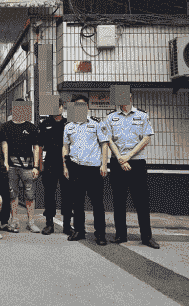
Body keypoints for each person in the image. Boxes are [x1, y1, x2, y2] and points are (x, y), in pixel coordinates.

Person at [103, 92, 159, 249]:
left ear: (130, 97)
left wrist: (128, 156)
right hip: (117, 163)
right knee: (118, 200)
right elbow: (108, 139)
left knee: (141, 201)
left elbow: (146, 139)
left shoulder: (142, 115)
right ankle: (120, 235)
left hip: (137, 163)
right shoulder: (111, 117)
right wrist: (121, 158)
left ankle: (146, 237)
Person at [63, 95, 109, 246]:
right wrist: (65, 166)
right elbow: (65, 147)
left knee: (97, 203)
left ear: (87, 107)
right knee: (77, 202)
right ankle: (79, 231)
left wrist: (104, 164)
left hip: (93, 169)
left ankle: (100, 234)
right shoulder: (69, 126)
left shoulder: (96, 124)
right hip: (75, 168)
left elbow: (104, 144)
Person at [2, 98, 41, 233]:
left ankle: (31, 222)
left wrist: (36, 166)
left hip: (28, 167)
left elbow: (36, 147)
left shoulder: (31, 127)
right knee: (13, 194)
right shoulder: (6, 126)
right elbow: (5, 145)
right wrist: (5, 162)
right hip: (12, 167)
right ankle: (14, 221)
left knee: (30, 195)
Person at [39, 98, 74, 236]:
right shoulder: (45, 124)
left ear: (62, 107)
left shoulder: (69, 123)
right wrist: (39, 165)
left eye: (58, 106)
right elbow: (40, 144)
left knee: (68, 194)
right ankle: (49, 224)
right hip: (50, 162)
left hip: (66, 162)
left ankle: (67, 225)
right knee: (49, 193)